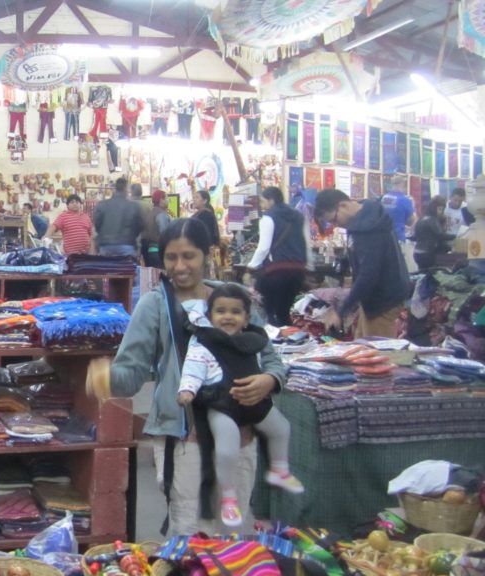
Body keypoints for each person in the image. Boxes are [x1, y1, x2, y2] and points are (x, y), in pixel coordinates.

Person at [86, 218, 287, 534]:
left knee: (231, 532)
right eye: (171, 257)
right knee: (188, 533)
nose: (179, 266)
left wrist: (268, 382)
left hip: (240, 435)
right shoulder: (156, 305)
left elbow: (272, 360)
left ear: (207, 254)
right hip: (185, 439)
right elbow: (133, 372)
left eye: (189, 256)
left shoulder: (232, 299)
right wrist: (106, 378)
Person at [177, 283, 303, 527]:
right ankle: (228, 495)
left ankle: (279, 468)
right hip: (222, 403)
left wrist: (268, 380)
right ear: (210, 317)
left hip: (253, 402)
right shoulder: (204, 343)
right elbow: (193, 369)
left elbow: (270, 364)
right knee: (227, 447)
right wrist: (187, 390)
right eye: (221, 311)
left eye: (235, 312)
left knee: (281, 428)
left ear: (246, 318)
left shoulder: (253, 340)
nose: (227, 317)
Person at [315, 188, 410, 338]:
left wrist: (341, 310)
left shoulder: (368, 227)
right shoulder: (361, 219)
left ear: (343, 205)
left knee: (377, 353)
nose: (336, 225)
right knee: (362, 343)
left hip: (384, 299)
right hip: (374, 298)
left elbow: (369, 274)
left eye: (334, 220)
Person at [245, 186, 310, 326]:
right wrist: (308, 266)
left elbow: (264, 248)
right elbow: (306, 242)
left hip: (276, 272)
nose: (262, 206)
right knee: (284, 312)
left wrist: (251, 267)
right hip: (297, 271)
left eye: (263, 201)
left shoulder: (268, 218)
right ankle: (289, 340)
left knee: (270, 313)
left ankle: (275, 342)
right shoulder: (298, 216)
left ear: (271, 200)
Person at [94, 177, 144, 257]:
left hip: (105, 244)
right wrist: (133, 237)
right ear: (125, 188)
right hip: (127, 244)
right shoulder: (134, 206)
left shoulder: (102, 205)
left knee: (106, 268)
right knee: (125, 268)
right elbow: (140, 226)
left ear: (115, 188)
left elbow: (97, 224)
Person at [413, 195, 455, 271]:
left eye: (442, 210)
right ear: (433, 208)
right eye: (440, 209)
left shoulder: (422, 218)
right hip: (428, 254)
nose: (441, 212)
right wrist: (457, 236)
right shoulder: (432, 220)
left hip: (417, 253)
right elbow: (441, 236)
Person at [141, 189, 172, 268]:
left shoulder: (150, 213)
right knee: (163, 277)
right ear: (161, 200)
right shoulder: (161, 214)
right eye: (167, 198)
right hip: (159, 251)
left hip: (149, 251)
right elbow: (164, 234)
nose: (168, 201)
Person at [381, 174, 415, 243]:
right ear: (402, 184)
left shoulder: (384, 198)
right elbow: (411, 221)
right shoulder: (405, 200)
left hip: (384, 237)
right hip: (398, 238)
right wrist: (412, 206)